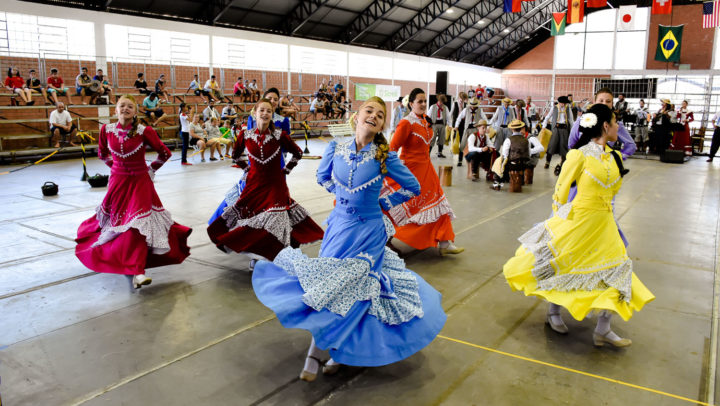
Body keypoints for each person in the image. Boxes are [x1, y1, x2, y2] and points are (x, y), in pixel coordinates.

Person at [252, 96, 446, 381]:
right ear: (357, 115)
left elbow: (412, 187)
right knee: (330, 289)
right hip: (338, 229)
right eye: (369, 110)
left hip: (368, 234)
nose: (374, 116)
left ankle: (322, 354)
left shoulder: (385, 156)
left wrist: (384, 203)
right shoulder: (335, 148)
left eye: (380, 115)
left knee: (350, 290)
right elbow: (322, 176)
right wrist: (342, 198)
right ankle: (332, 350)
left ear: (382, 125)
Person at [503, 103, 654, 346]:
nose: (618, 127)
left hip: (605, 224)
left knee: (615, 270)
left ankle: (603, 329)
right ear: (605, 126)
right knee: (567, 265)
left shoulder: (614, 157)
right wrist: (558, 222)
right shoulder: (579, 155)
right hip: (578, 221)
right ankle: (553, 312)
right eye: (615, 123)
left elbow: (613, 191)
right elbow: (560, 191)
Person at [75, 95, 192, 289]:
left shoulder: (144, 131)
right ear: (116, 110)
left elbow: (165, 153)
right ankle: (121, 259)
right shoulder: (106, 130)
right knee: (120, 222)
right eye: (122, 106)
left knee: (137, 224)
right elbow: (102, 153)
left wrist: (151, 169)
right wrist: (116, 168)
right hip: (117, 183)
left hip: (140, 183)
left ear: (136, 111)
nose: (125, 109)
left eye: (130, 106)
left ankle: (137, 270)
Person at [207, 98, 324, 267]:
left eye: (268, 111)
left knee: (275, 217)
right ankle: (257, 256)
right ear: (254, 113)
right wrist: (247, 169)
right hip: (253, 185)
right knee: (254, 219)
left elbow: (297, 153)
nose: (265, 113)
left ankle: (276, 255)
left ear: (272, 115)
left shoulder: (279, 135)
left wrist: (286, 170)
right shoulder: (245, 135)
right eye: (261, 110)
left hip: (276, 184)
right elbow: (235, 156)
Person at [383, 88, 463, 255]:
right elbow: (392, 149)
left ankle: (444, 243)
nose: (423, 104)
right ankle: (385, 239)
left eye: (425, 101)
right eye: (419, 101)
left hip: (427, 170)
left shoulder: (426, 120)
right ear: (411, 104)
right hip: (410, 172)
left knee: (439, 204)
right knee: (404, 206)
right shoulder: (406, 122)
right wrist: (396, 171)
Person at [568, 88, 636, 159]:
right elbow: (571, 144)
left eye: (608, 101)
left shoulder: (615, 124)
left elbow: (631, 145)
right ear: (595, 102)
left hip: (604, 165)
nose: (604, 104)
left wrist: (616, 158)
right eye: (601, 100)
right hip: (581, 161)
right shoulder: (582, 120)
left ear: (612, 104)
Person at [491, 119, 543, 192]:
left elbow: (505, 154)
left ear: (512, 129)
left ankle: (497, 183)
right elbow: (528, 153)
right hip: (524, 165)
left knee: (498, 162)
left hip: (513, 164)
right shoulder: (526, 140)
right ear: (520, 128)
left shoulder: (508, 140)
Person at [542, 96, 574, 175]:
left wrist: (573, 130)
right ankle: (547, 162)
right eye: (562, 103)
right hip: (555, 129)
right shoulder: (554, 108)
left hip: (565, 129)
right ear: (559, 102)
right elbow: (547, 117)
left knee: (564, 147)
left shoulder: (568, 109)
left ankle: (562, 163)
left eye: (564, 103)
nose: (563, 105)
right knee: (552, 145)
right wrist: (543, 127)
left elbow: (571, 120)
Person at [454, 97, 488, 167]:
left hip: (476, 129)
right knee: (463, 144)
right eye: (472, 105)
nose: (473, 107)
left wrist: (487, 127)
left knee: (476, 145)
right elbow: (459, 118)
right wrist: (456, 126)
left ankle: (476, 161)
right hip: (467, 129)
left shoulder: (479, 110)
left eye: (474, 105)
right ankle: (460, 160)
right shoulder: (466, 110)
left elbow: (485, 119)